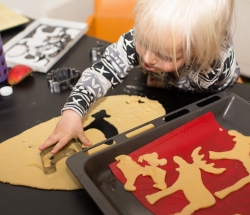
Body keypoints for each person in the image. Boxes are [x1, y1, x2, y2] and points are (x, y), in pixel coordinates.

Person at [39, 0, 240, 154]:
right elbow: (102, 70)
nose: (147, 58)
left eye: (164, 55)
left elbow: (222, 92)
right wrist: (73, 112)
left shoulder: (218, 66)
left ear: (198, 51)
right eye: (143, 41)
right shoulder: (137, 40)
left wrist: (170, 85)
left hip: (201, 95)